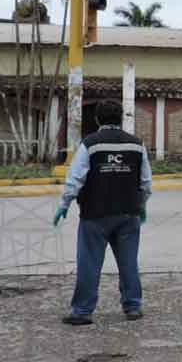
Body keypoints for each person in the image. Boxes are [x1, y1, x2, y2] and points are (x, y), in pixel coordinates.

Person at [53, 101, 153, 325]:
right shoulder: (137, 145)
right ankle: (133, 307)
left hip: (95, 215)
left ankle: (82, 311)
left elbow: (75, 178)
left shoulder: (90, 144)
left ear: (97, 119)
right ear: (121, 119)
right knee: (128, 262)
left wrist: (64, 204)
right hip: (129, 214)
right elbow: (146, 183)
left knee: (89, 263)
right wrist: (142, 206)